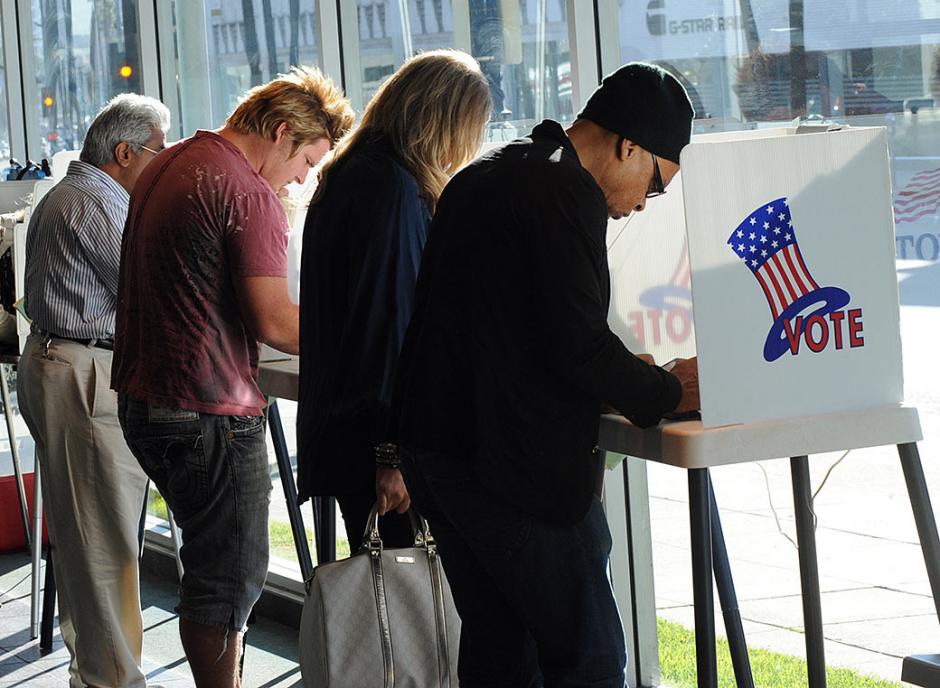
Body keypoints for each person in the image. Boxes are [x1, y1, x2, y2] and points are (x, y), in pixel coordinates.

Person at [392, 62, 701, 687]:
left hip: (438, 454)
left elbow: (517, 328)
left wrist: (618, 372)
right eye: (655, 184)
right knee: (588, 659)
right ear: (629, 145)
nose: (644, 203)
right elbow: (576, 346)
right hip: (510, 470)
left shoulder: (493, 169)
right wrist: (671, 391)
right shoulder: (563, 191)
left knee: (501, 648)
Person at [112, 68, 353, 687]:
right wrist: (360, 335)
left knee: (209, 568)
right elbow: (275, 322)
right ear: (280, 131)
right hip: (208, 409)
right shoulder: (245, 190)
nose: (302, 179)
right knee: (227, 582)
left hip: (144, 400)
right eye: (306, 161)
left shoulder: (170, 163)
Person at [296, 49, 490, 551]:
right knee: (408, 590)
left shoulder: (347, 173)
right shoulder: (392, 187)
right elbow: (389, 326)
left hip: (350, 433)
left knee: (387, 586)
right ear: (442, 122)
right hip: (382, 446)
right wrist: (393, 455)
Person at [17, 93, 170, 688]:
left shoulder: (77, 194)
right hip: (83, 371)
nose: (164, 162)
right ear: (125, 152)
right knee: (103, 545)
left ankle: (101, 674)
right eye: (159, 150)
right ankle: (111, 680)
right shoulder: (97, 202)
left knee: (91, 539)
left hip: (71, 364)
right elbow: (151, 291)